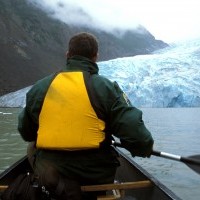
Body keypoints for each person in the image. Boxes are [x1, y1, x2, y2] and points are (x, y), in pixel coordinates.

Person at [18, 32, 154, 200]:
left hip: (52, 174)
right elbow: (138, 138)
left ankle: (49, 188)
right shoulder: (106, 88)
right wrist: (142, 148)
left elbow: (26, 131)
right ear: (95, 57)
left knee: (32, 146)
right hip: (96, 175)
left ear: (68, 55)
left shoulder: (40, 88)